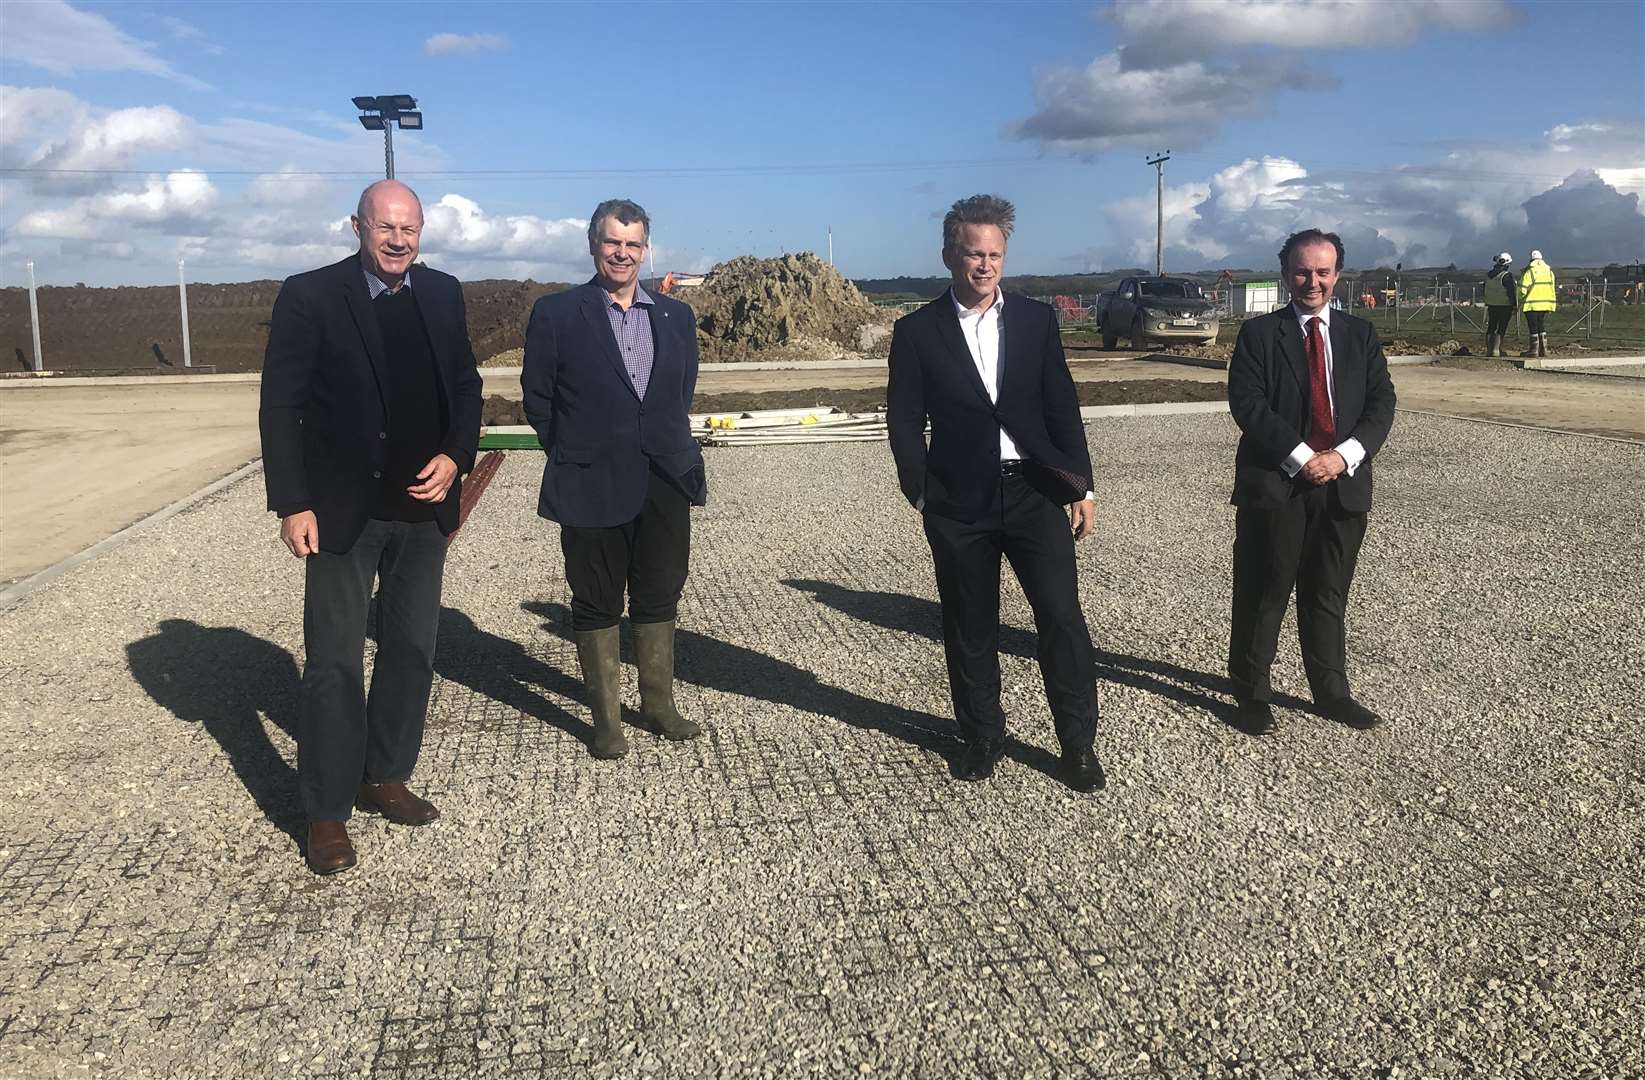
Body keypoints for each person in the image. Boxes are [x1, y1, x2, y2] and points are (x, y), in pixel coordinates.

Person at [260, 180, 482, 874]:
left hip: (421, 513)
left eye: (409, 228)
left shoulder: (442, 294)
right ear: (357, 226)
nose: (397, 240)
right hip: (340, 516)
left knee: (413, 648)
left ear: (422, 233)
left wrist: (455, 456)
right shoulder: (311, 295)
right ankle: (325, 812)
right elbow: (281, 406)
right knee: (332, 662)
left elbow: (467, 389)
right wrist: (292, 502)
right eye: (385, 227)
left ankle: (384, 773)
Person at [886, 194, 1106, 793]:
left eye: (995, 255)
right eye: (973, 254)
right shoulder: (916, 332)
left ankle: (1077, 744)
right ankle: (983, 735)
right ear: (949, 256)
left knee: (1061, 619)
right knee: (969, 625)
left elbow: (1061, 404)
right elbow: (903, 419)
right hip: (959, 503)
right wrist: (922, 493)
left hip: (1034, 492)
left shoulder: (1036, 320)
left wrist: (1079, 484)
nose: (985, 266)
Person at [521, 199, 706, 759]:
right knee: (596, 598)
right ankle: (606, 720)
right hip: (591, 479)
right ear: (593, 244)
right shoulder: (558, 314)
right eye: (611, 242)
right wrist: (576, 450)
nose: (622, 253)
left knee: (659, 591)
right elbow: (538, 398)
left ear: (645, 249)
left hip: (664, 476)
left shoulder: (675, 316)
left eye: (632, 244)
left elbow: (679, 393)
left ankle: (658, 705)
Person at [1226, 228, 1397, 736]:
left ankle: (1331, 691)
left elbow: (1381, 403)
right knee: (1265, 590)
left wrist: (1343, 458)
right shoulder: (1259, 336)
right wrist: (1303, 458)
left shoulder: (1359, 335)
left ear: (1337, 275)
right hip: (1279, 485)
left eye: (1323, 272)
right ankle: (1251, 691)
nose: (1312, 281)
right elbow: (1249, 406)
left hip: (1342, 487)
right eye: (1302, 271)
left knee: (1327, 592)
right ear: (1285, 273)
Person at [1519, 249, 1557, 358]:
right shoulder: (1549, 271)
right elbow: (1552, 287)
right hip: (1545, 304)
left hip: (1532, 304)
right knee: (1541, 325)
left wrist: (1520, 299)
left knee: (1533, 326)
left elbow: (1522, 289)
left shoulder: (1530, 271)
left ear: (1531, 259)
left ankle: (1534, 350)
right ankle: (1544, 349)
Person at [1483, 253, 1517, 358]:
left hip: (1491, 304)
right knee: (1501, 328)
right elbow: (1511, 292)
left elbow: (1484, 289)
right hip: (1505, 305)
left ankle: (1489, 350)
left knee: (1491, 327)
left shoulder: (1488, 275)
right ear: (1506, 264)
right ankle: (1496, 350)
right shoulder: (1506, 276)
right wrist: (1514, 304)